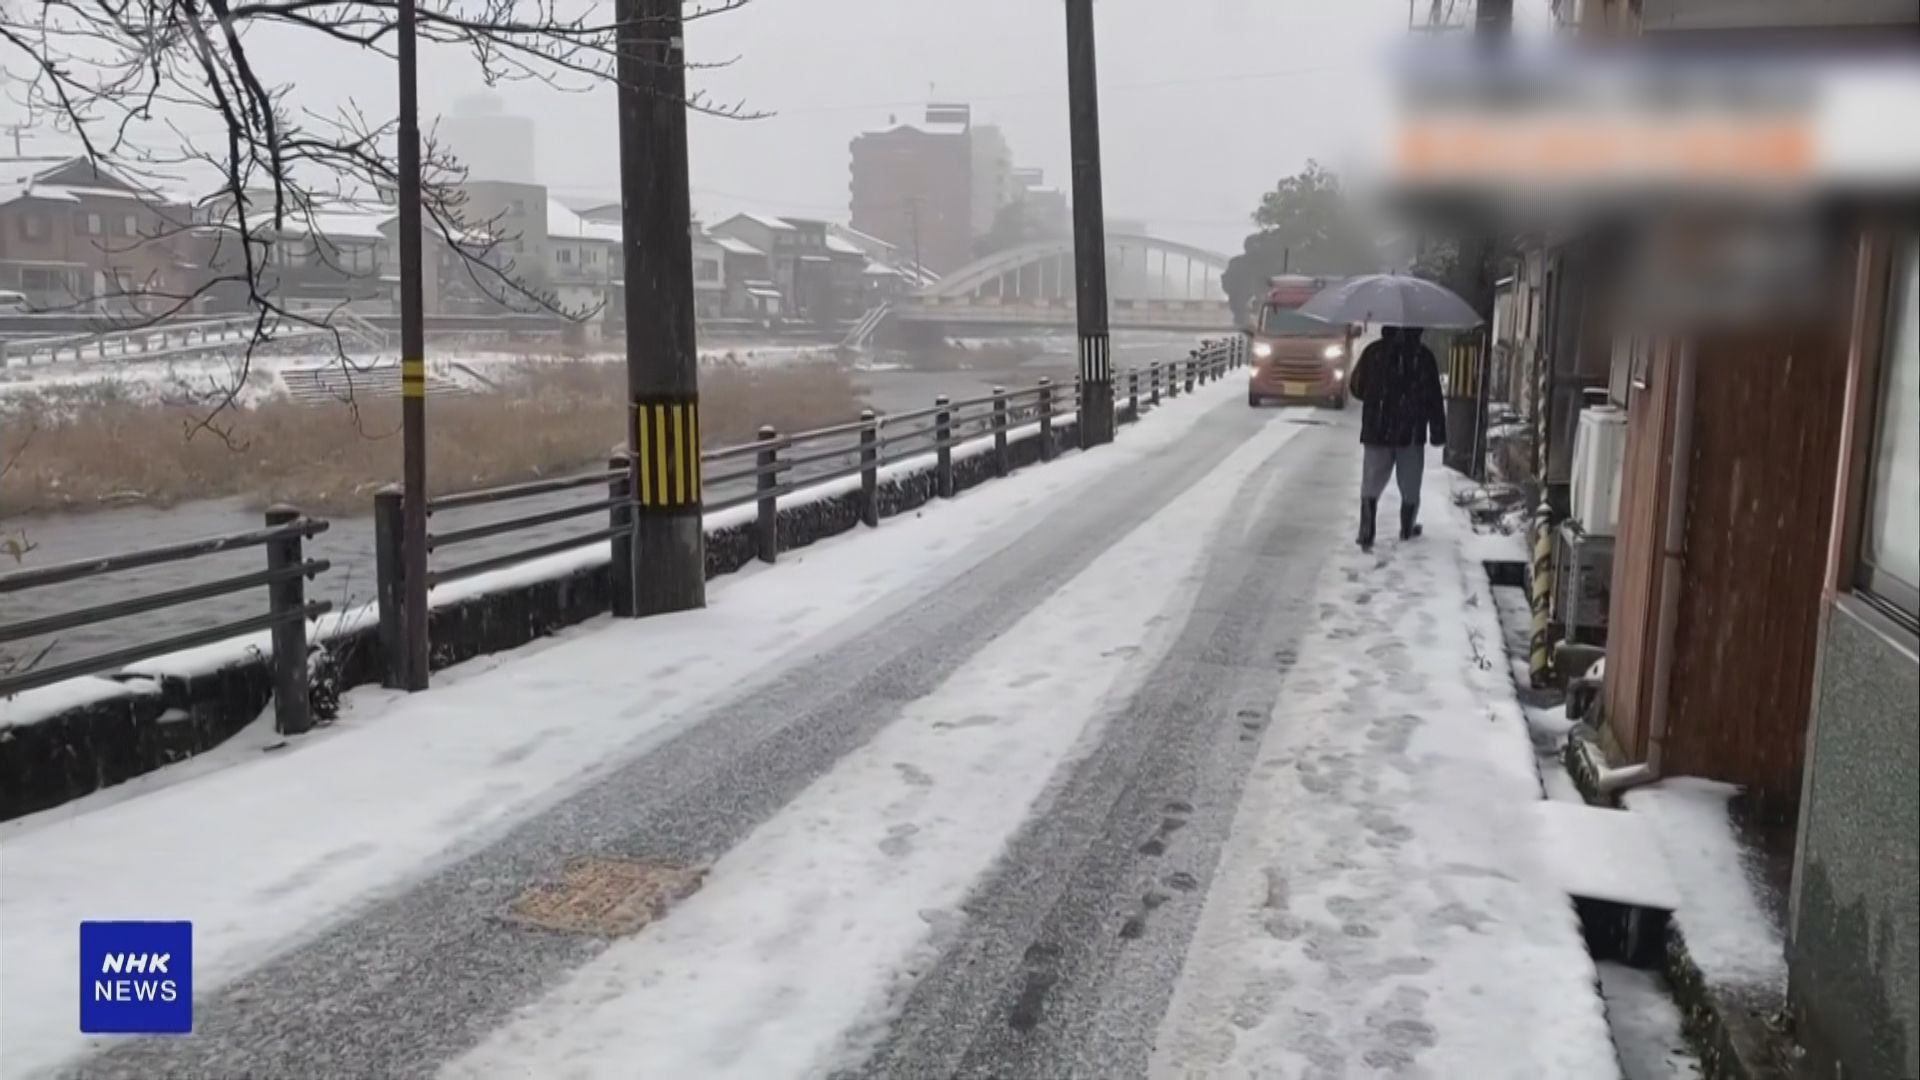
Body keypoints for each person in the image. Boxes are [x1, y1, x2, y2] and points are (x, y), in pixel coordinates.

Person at [1345, 325, 1446, 552]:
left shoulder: (1373, 352)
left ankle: (1366, 530)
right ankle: (1407, 528)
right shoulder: (1423, 356)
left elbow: (1356, 387)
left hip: (1377, 429)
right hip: (1410, 432)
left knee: (1371, 482)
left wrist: (1378, 396)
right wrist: (1437, 432)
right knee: (1410, 483)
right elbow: (1434, 398)